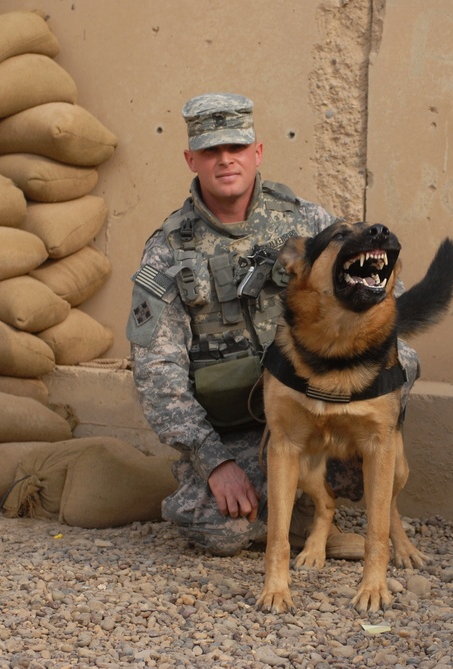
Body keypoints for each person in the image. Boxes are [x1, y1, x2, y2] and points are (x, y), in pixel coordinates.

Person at [126, 93, 422, 558]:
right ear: (191, 160)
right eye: (210, 151)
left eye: (237, 148)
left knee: (402, 358)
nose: (226, 160)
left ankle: (342, 506)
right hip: (237, 432)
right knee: (214, 528)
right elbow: (156, 372)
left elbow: (388, 305)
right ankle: (305, 520)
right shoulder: (168, 250)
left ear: (257, 152)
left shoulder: (308, 222)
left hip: (319, 412)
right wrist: (213, 461)